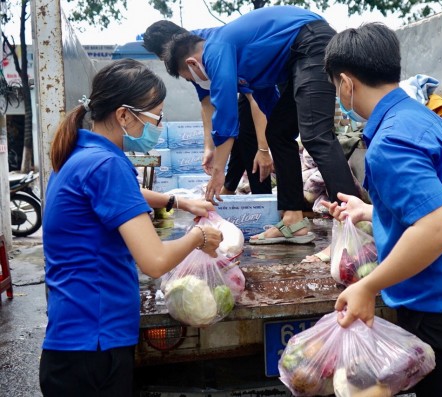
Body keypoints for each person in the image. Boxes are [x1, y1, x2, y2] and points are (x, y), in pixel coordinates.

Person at [39, 59, 223, 397]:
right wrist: (199, 237)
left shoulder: (80, 154)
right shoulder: (108, 164)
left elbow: (124, 195)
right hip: (95, 347)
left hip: (74, 341)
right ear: (124, 115)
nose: (158, 125)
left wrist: (177, 201)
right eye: (156, 117)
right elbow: (153, 261)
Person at [323, 22, 442, 396]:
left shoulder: (390, 141)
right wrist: (372, 212)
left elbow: (438, 227)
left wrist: (368, 287)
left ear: (345, 83)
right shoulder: (426, 120)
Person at [164, 6, 360, 245]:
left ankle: (355, 224)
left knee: (316, 135)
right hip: (295, 59)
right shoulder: (241, 58)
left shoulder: (216, 49)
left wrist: (218, 173)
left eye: (188, 78)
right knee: (278, 133)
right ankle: (293, 220)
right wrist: (273, 139)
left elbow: (225, 114)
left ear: (192, 63)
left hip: (311, 43)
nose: (196, 82)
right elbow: (267, 100)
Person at [143, 20, 274, 195]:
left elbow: (254, 98)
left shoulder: (205, 51)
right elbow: (206, 102)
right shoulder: (187, 57)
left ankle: (263, 198)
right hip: (250, 89)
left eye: (162, 56)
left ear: (171, 47)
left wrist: (263, 149)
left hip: (270, 77)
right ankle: (230, 188)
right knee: (238, 134)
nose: (164, 62)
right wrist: (208, 147)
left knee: (246, 133)